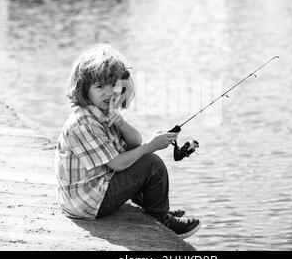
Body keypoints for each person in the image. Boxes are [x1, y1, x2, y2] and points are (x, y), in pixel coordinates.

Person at [55, 43, 201, 239]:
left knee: (141, 157)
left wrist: (122, 124)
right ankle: (162, 218)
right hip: (86, 202)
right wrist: (150, 147)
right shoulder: (84, 122)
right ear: (84, 89)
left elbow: (134, 143)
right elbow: (117, 163)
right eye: (100, 86)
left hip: (89, 194)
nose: (109, 92)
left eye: (113, 85)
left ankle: (156, 209)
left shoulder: (104, 112)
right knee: (151, 163)